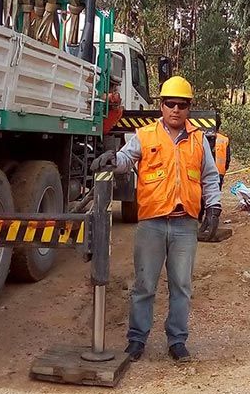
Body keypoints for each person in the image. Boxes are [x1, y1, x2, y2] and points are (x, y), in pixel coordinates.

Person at [91, 75, 221, 364]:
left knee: (181, 286)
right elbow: (126, 159)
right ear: (161, 106)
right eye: (170, 103)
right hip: (151, 223)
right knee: (144, 285)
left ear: (189, 108)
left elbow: (210, 177)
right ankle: (137, 340)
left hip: (184, 223)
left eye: (182, 104)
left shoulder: (199, 140)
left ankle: (177, 340)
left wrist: (214, 208)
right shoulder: (145, 135)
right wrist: (113, 159)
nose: (176, 109)